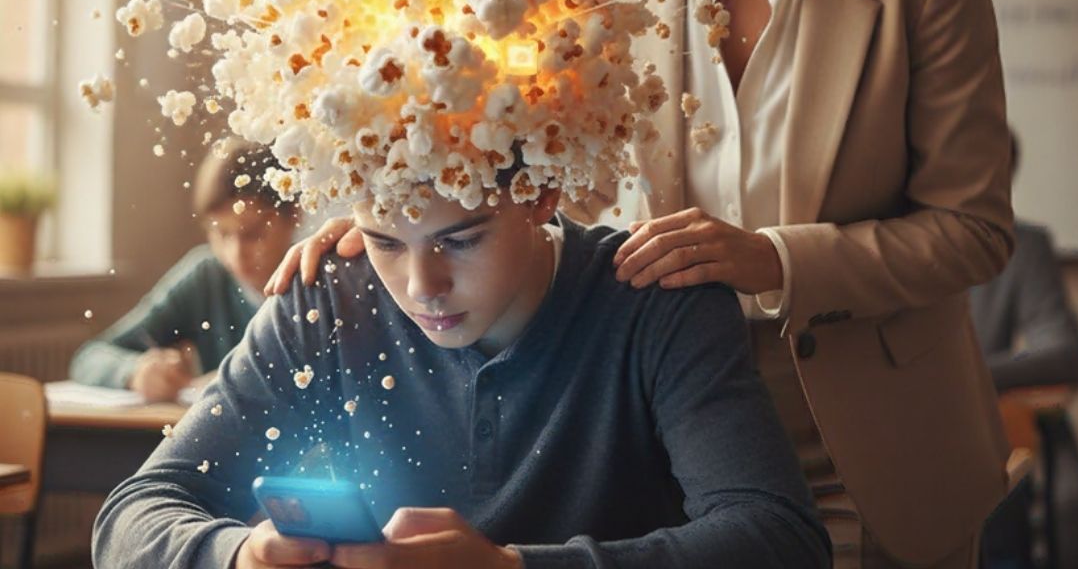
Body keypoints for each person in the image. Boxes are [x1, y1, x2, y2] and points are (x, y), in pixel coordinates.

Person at [270, 0, 1016, 566]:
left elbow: (973, 230)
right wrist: (380, 215)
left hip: (872, 448)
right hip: (664, 438)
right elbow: (509, 139)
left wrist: (769, 256)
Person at [92, 168, 831, 569]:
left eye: (462, 239)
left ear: (542, 191)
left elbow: (780, 541)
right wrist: (235, 554)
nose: (422, 286)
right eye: (384, 239)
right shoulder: (323, 297)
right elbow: (131, 515)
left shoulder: (655, 300)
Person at [70, 138, 300, 402]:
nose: (235, 254)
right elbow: (90, 356)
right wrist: (136, 371)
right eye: (221, 234)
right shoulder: (206, 277)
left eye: (253, 234)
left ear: (293, 215)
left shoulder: (316, 280)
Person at [970, 134, 1078, 569]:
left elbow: (1066, 353)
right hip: (897, 446)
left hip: (988, 439)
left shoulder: (1020, 245)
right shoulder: (878, 247)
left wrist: (963, 378)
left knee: (1014, 493)